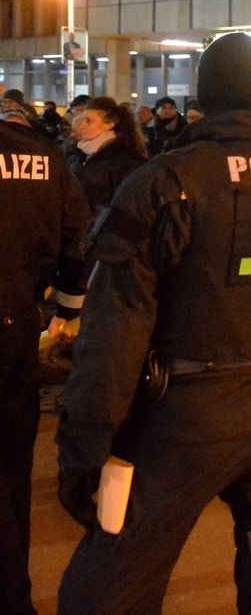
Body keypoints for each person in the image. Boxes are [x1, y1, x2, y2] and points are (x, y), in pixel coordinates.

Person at [54, 32, 251, 613]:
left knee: (109, 582)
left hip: (183, 415)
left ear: (202, 98)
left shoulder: (166, 180)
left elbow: (113, 334)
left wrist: (84, 446)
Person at [0, 113, 89, 615]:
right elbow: (78, 240)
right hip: (15, 328)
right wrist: (68, 311)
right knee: (12, 474)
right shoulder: (39, 156)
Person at [69, 96, 148, 216]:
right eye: (82, 120)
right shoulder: (78, 156)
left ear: (110, 124)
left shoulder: (126, 162)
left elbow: (129, 206)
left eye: (89, 121)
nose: (82, 125)